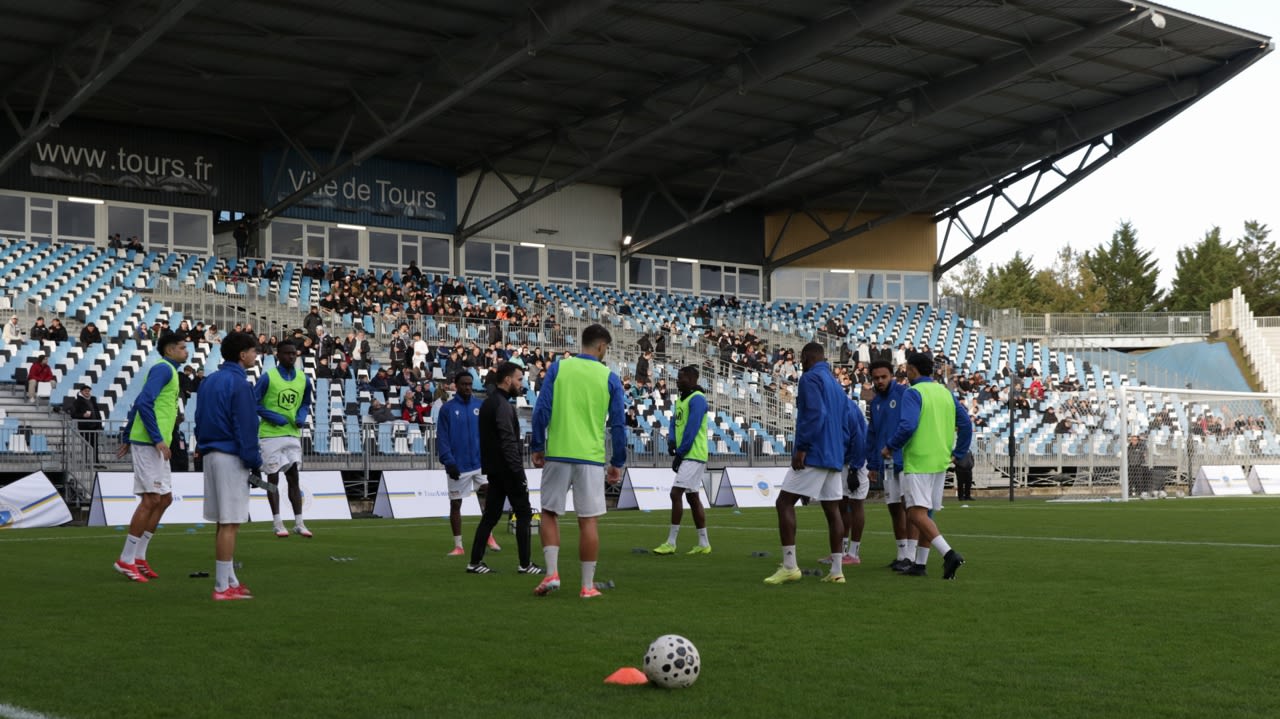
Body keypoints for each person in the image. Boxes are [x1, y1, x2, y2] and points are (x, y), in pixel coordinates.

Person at [530, 323, 627, 599]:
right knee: (588, 521)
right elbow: (619, 425)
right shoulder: (609, 377)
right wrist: (617, 461)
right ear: (600, 347)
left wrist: (538, 445)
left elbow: (542, 410)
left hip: (559, 452)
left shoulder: (560, 368)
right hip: (591, 459)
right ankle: (587, 586)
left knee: (549, 512)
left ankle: (552, 574)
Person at [764, 342, 850, 585]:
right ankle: (836, 571)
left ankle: (790, 565)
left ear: (807, 357)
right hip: (833, 454)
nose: (800, 363)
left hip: (815, 452)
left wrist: (802, 447)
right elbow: (844, 422)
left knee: (784, 503)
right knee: (833, 510)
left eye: (802, 359)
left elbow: (815, 414)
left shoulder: (810, 378)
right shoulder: (835, 383)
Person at [883, 352, 972, 579]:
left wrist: (890, 446)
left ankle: (949, 553)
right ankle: (920, 564)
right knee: (927, 512)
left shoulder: (913, 392)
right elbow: (966, 424)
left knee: (914, 513)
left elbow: (908, 425)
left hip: (919, 460)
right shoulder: (945, 392)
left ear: (913, 369)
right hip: (940, 460)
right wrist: (958, 452)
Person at [112, 333, 188, 583]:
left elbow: (138, 401)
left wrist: (126, 434)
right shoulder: (163, 369)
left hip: (156, 443)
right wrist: (155, 437)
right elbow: (145, 402)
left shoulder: (171, 372)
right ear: (169, 350)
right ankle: (125, 559)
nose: (186, 351)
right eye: (182, 347)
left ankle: (139, 557)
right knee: (151, 499)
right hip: (149, 443)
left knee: (164, 499)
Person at [196, 332, 264, 600]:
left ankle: (229, 580)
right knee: (231, 522)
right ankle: (222, 587)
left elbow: (199, 417)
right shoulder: (240, 384)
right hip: (230, 455)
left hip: (211, 452)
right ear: (242, 354)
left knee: (224, 521)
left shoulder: (209, 381)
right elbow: (246, 426)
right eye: (253, 351)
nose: (256, 356)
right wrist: (254, 460)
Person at [466, 362, 543, 575]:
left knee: (491, 515)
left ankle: (474, 562)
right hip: (507, 469)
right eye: (519, 379)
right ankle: (525, 564)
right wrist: (518, 471)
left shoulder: (489, 404)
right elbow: (507, 441)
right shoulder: (502, 406)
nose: (521, 384)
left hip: (494, 469)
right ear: (507, 380)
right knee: (524, 513)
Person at [438, 371, 501, 556]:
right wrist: (449, 462)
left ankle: (489, 534)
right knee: (456, 504)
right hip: (458, 465)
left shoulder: (479, 406)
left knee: (489, 495)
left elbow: (488, 434)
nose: (467, 387)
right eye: (464, 384)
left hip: (479, 462)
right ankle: (458, 545)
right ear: (456, 385)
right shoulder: (447, 409)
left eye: (470, 384)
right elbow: (442, 438)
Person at [255, 340, 314, 539]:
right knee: (272, 478)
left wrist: (301, 417)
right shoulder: (267, 378)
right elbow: (254, 403)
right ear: (277, 355)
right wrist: (272, 417)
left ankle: (299, 522)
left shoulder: (303, 379)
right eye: (287, 353)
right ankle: (277, 522)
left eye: (294, 354)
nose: (291, 357)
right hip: (270, 435)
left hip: (292, 435)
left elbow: (305, 403)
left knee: (294, 478)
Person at [652, 366, 711, 556]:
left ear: (693, 379)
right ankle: (704, 543)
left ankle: (671, 542)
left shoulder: (698, 400)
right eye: (677, 378)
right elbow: (674, 422)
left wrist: (680, 453)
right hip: (688, 454)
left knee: (675, 494)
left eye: (681, 378)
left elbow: (692, 429)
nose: (677, 381)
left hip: (694, 454)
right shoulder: (681, 400)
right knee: (692, 497)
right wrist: (671, 441)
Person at [867, 360, 912, 571]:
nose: (880, 381)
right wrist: (873, 465)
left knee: (909, 508)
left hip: (905, 461)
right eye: (876, 378)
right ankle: (901, 554)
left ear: (892, 376)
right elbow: (873, 434)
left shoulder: (904, 394)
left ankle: (911, 557)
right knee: (894, 508)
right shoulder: (874, 402)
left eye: (883, 377)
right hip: (886, 464)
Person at [824, 396, 868, 567]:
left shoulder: (847, 409)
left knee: (856, 504)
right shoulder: (832, 407)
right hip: (842, 461)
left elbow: (859, 439)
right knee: (841, 504)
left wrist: (854, 470)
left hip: (856, 461)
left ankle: (854, 553)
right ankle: (840, 552)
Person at [72, 384, 103, 464]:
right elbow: (73, 414)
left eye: (88, 391)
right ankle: (85, 462)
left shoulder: (93, 400)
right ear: (81, 392)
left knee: (95, 445)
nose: (87, 392)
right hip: (84, 427)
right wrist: (83, 415)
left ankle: (96, 462)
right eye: (85, 391)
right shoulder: (77, 401)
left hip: (94, 427)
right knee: (85, 445)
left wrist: (100, 425)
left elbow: (97, 413)